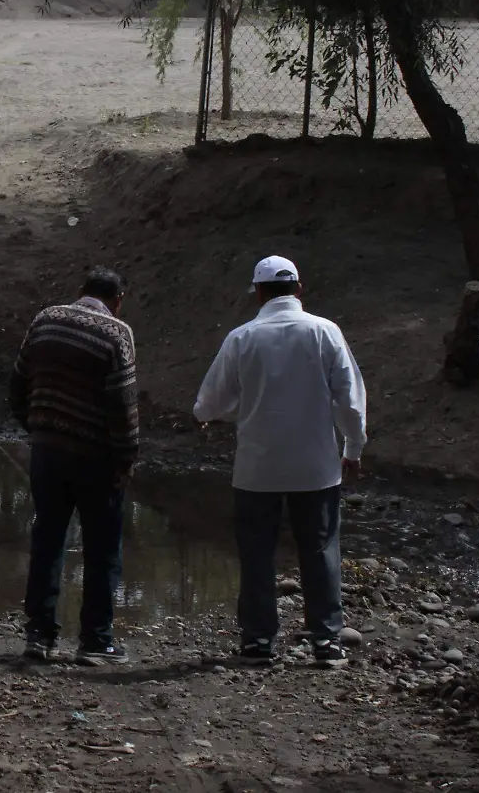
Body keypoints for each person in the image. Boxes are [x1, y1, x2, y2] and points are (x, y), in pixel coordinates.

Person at [193, 255, 366, 668]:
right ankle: (326, 642)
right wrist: (353, 449)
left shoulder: (242, 337)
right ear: (299, 289)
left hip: (257, 468)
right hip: (317, 465)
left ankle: (257, 642)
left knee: (256, 553)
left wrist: (210, 414)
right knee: (321, 549)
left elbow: (208, 403)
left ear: (257, 292)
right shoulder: (326, 332)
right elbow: (350, 401)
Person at [10, 266, 140, 665]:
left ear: (80, 291)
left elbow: (17, 384)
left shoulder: (45, 320)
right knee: (102, 548)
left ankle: (40, 636)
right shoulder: (117, 333)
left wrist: (36, 426)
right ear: (118, 301)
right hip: (96, 459)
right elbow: (122, 404)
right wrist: (126, 457)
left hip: (48, 453)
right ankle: (96, 641)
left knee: (48, 539)